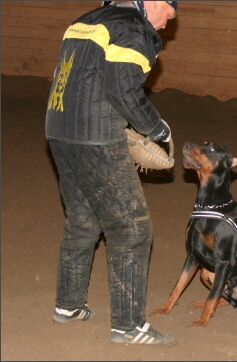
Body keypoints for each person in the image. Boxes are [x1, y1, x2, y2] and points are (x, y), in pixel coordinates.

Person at [45, 1, 178, 346]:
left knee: (83, 220)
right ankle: (128, 326)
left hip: (59, 129)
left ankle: (69, 306)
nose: (167, 22)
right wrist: (156, 127)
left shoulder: (86, 20)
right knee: (132, 228)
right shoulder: (134, 27)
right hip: (96, 137)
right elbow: (122, 88)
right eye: (169, 11)